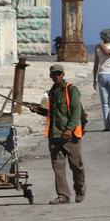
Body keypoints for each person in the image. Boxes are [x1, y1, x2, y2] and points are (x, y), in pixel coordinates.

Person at [34, 64, 86, 205]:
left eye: (58, 74)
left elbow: (76, 112)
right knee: (58, 167)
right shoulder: (51, 92)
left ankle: (80, 190)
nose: (56, 76)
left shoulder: (71, 89)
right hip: (54, 135)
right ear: (50, 76)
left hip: (71, 136)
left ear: (63, 74)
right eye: (53, 74)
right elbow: (50, 112)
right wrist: (38, 110)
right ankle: (63, 196)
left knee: (76, 165)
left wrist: (69, 130)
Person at [92, 28, 110, 131]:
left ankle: (107, 126)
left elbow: (96, 64)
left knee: (105, 103)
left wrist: (94, 79)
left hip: (101, 75)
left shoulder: (98, 48)